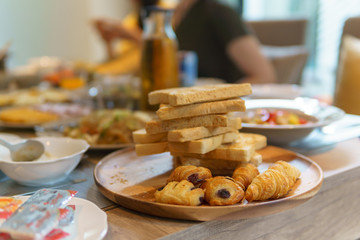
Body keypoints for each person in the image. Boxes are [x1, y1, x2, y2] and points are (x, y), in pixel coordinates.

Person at [93, 0, 276, 84]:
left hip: (218, 118)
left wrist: (219, 101)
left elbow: (265, 75)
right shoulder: (176, 14)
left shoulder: (219, 12)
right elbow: (164, 62)